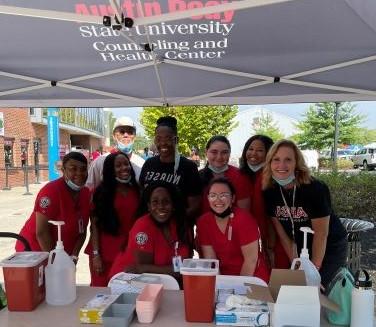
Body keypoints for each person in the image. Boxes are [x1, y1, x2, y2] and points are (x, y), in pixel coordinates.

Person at [262, 139, 347, 288]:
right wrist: (297, 267)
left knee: (320, 289)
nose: (281, 165)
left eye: (288, 160)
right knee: (299, 287)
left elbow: (321, 234)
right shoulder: (270, 192)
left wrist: (314, 271)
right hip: (302, 248)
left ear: (297, 164)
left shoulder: (315, 188)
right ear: (269, 163)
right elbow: (282, 234)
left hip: (329, 247)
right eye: (276, 159)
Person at [109, 182, 193, 285]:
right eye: (155, 202)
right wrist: (173, 270)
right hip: (126, 281)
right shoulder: (143, 226)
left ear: (173, 205)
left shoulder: (181, 226)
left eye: (166, 202)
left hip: (164, 282)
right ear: (148, 206)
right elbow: (144, 270)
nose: (161, 206)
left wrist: (145, 268)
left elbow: (183, 267)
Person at [16, 152, 91, 263]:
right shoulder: (51, 191)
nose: (79, 173)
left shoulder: (86, 194)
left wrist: (74, 256)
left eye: (83, 169)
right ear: (63, 171)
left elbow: (82, 230)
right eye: (73, 169)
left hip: (63, 255)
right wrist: (55, 262)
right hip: (35, 252)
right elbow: (41, 232)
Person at [196, 178, 269, 282]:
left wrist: (238, 288)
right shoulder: (204, 222)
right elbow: (211, 260)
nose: (218, 200)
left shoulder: (244, 219)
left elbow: (251, 260)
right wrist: (220, 286)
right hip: (224, 278)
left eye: (223, 195)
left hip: (251, 277)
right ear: (208, 198)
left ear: (233, 198)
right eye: (213, 195)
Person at [85, 152, 140, 286]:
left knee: (126, 292)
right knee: (101, 292)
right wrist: (96, 254)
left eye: (126, 164)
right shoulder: (100, 193)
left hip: (128, 251)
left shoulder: (138, 190)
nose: (124, 168)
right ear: (110, 169)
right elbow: (94, 226)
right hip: (104, 252)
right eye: (118, 165)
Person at [139, 116, 202, 222]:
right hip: (152, 229)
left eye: (168, 138)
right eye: (159, 139)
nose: (163, 143)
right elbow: (143, 197)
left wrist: (171, 224)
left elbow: (194, 206)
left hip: (178, 229)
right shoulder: (149, 164)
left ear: (176, 140)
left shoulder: (188, 167)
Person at [239, 135, 280, 265]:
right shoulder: (238, 175)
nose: (253, 153)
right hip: (245, 235)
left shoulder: (274, 178)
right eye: (250, 149)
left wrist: (270, 242)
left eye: (260, 150)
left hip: (271, 236)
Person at [86, 116, 145, 191]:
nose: (126, 135)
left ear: (135, 136)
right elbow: (88, 189)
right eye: (122, 132)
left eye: (130, 132)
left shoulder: (141, 164)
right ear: (114, 136)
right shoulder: (100, 162)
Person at [199, 135, 249, 213]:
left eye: (224, 152)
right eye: (214, 152)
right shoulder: (198, 176)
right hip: (204, 224)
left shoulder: (240, 176)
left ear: (229, 153)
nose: (219, 157)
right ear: (206, 152)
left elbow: (244, 211)